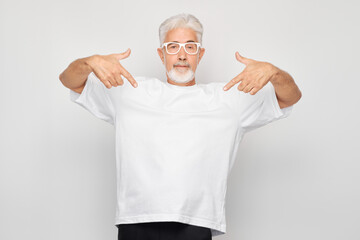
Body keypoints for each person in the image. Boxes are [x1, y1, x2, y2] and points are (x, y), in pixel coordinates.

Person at [59, 13, 302, 240]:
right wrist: (88, 63)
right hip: (135, 221)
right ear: (161, 54)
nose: (182, 55)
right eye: (173, 47)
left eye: (190, 47)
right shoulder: (130, 91)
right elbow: (70, 81)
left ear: (200, 54)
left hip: (195, 223)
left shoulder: (228, 98)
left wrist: (274, 73)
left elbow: (289, 98)